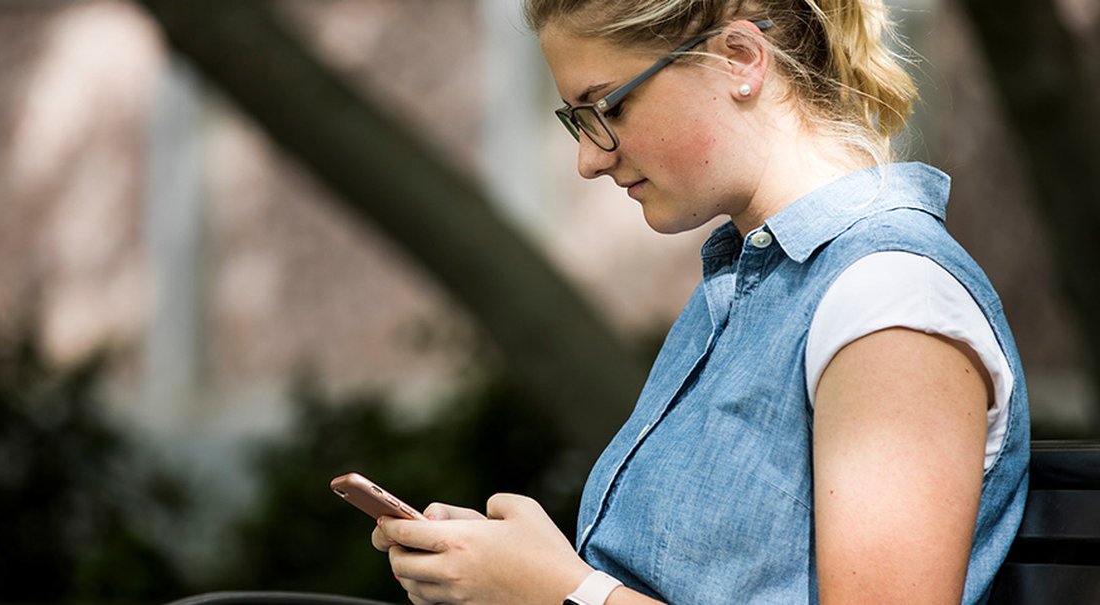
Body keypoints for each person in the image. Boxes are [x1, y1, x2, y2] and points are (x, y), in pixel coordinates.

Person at [371, 0, 1030, 603]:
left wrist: (561, 591)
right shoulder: (752, 282)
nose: (588, 161)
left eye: (609, 107)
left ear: (739, 59)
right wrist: (506, 571)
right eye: (578, 119)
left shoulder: (889, 299)